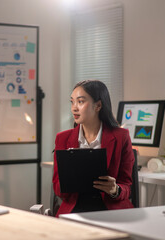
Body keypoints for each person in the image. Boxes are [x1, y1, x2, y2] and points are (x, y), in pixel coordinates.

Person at [52, 80, 135, 217]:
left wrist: (115, 189)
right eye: (72, 102)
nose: (74, 108)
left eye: (80, 102)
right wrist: (68, 180)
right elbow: (57, 188)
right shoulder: (62, 138)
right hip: (75, 210)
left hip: (110, 209)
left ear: (98, 105)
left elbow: (126, 185)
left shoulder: (121, 136)